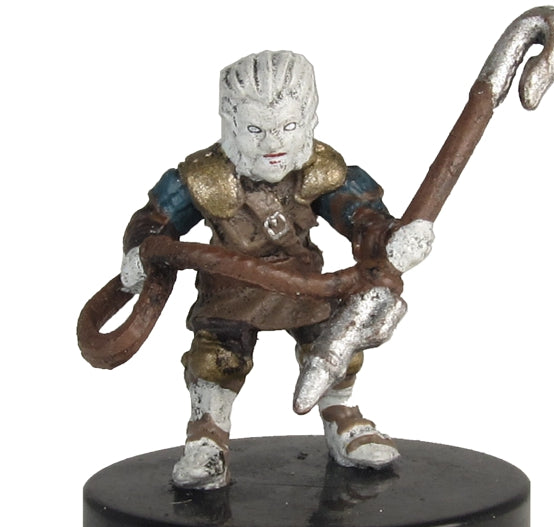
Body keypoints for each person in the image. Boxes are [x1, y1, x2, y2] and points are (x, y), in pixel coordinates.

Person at [120, 50, 434, 489]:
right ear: (231, 124)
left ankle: (342, 417)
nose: (273, 144)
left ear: (308, 119)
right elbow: (155, 221)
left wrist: (387, 237)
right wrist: (142, 251)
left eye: (287, 127)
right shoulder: (203, 176)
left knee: (336, 346)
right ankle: (207, 438)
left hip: (306, 284)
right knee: (218, 360)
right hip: (230, 287)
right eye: (256, 130)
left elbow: (360, 216)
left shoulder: (322, 170)